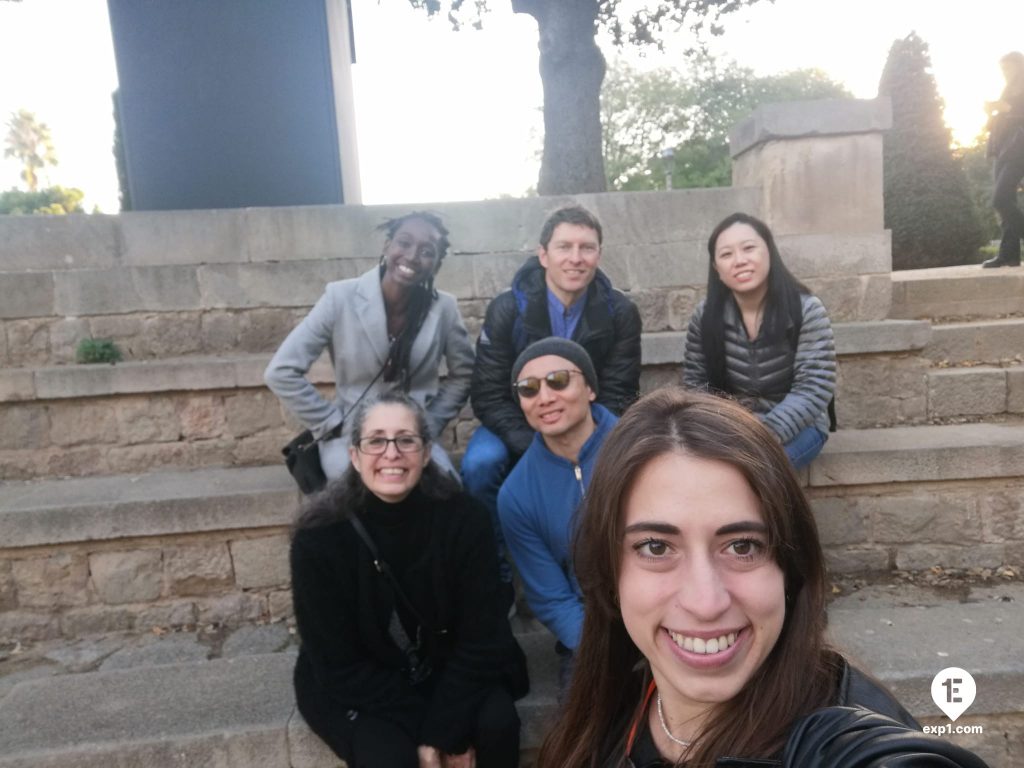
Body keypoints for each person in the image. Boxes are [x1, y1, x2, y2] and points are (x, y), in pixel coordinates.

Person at [538, 388, 989, 768]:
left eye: (743, 546)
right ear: (609, 573)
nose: (705, 601)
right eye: (656, 547)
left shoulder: (839, 741)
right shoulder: (608, 713)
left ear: (791, 570)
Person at [290, 392, 528, 768]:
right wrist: (432, 730)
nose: (391, 453)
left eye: (405, 439)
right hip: (362, 680)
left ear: (426, 451)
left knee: (497, 726)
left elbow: (485, 636)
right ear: (354, 456)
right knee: (389, 757)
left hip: (446, 665)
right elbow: (337, 663)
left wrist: (444, 727)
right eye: (376, 441)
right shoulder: (319, 537)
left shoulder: (465, 519)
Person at [462, 204, 642, 522]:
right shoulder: (507, 309)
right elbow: (488, 393)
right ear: (543, 255)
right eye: (564, 247)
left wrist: (581, 441)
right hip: (520, 421)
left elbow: (619, 393)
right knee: (481, 465)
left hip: (589, 422)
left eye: (587, 248)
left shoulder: (620, 313)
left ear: (598, 255)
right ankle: (500, 559)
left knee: (631, 462)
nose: (576, 258)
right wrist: (538, 443)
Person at [265, 211, 474, 481]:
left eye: (426, 251)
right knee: (356, 497)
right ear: (387, 246)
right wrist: (331, 423)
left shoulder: (444, 308)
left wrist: (429, 423)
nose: (411, 256)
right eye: (404, 242)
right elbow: (280, 371)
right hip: (352, 436)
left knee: (448, 491)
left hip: (412, 437)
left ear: (435, 265)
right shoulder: (340, 297)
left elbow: (465, 374)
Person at [497, 338, 617, 696]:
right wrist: (605, 650)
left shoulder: (646, 448)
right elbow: (551, 598)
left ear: (590, 388)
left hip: (673, 613)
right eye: (529, 388)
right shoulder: (516, 494)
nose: (545, 397)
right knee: (583, 740)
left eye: (559, 380)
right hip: (593, 631)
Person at [682, 212, 836, 469]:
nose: (739, 260)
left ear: (769, 253)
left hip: (798, 427)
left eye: (749, 248)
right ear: (716, 268)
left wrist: (763, 432)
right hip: (731, 426)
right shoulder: (705, 316)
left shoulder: (807, 310)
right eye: (726, 254)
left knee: (754, 471)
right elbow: (695, 384)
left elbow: (814, 389)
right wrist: (727, 427)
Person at [983, 51, 1024, 269]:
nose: (1005, 73)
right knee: (1006, 201)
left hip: (1019, 149)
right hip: (1002, 149)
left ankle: (1009, 253)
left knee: (1000, 199)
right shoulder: (1008, 90)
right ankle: (1009, 255)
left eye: (1008, 68)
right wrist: (992, 112)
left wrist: (1005, 107)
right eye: (1002, 69)